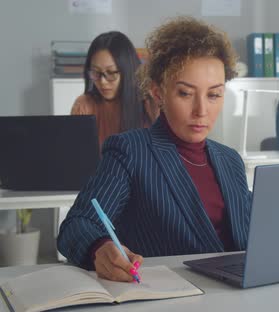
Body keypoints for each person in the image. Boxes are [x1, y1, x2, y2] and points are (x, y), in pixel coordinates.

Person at [57, 17, 251, 282]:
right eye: (185, 93)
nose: (201, 111)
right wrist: (99, 248)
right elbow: (77, 225)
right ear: (158, 93)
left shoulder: (230, 160)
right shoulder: (130, 151)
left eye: (214, 95)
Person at [71, 31, 159, 148]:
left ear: (128, 71)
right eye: (96, 72)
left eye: (111, 72)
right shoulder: (84, 105)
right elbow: (76, 154)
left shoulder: (149, 102)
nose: (102, 81)